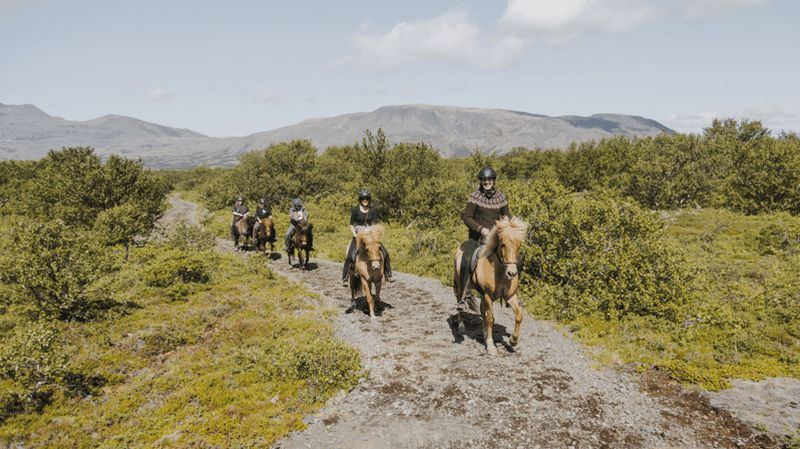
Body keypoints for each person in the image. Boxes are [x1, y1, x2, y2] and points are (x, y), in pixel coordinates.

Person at [457, 167, 510, 310]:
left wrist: (505, 225)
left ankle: (510, 293)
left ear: (493, 180)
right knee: (466, 260)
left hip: (495, 240)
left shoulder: (501, 197)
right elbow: (466, 217)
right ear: (481, 181)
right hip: (476, 239)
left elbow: (506, 216)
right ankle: (464, 296)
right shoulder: (475, 197)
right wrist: (480, 229)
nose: (487, 182)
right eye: (484, 180)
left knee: (515, 259)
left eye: (489, 180)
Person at [342, 188, 394, 287]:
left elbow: (374, 224)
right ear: (360, 200)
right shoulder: (355, 210)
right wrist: (355, 235)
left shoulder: (373, 210)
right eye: (363, 199)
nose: (365, 200)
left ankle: (388, 274)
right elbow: (351, 224)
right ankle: (345, 277)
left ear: (369, 199)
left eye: (366, 199)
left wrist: (373, 235)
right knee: (350, 256)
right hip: (359, 236)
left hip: (371, 237)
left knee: (385, 252)